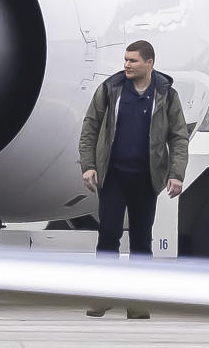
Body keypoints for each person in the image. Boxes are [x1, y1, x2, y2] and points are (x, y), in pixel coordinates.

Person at [78, 40, 188, 320]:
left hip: (146, 179)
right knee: (108, 236)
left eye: (133, 60)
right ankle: (102, 297)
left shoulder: (166, 95)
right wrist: (89, 166)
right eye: (125, 60)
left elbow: (178, 136)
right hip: (113, 176)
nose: (126, 64)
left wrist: (176, 173)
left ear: (149, 63)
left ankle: (138, 301)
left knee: (141, 241)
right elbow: (90, 126)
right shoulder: (110, 89)